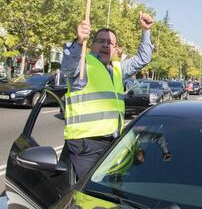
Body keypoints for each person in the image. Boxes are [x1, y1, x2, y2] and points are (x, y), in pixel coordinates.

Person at [61, 10, 154, 180]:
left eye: (111, 43)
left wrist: (146, 31)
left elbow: (143, 58)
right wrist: (78, 40)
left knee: (110, 192)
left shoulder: (118, 68)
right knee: (89, 196)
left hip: (112, 143)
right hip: (85, 145)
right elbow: (67, 66)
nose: (106, 45)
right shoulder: (82, 65)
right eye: (101, 41)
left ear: (116, 49)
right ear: (91, 45)